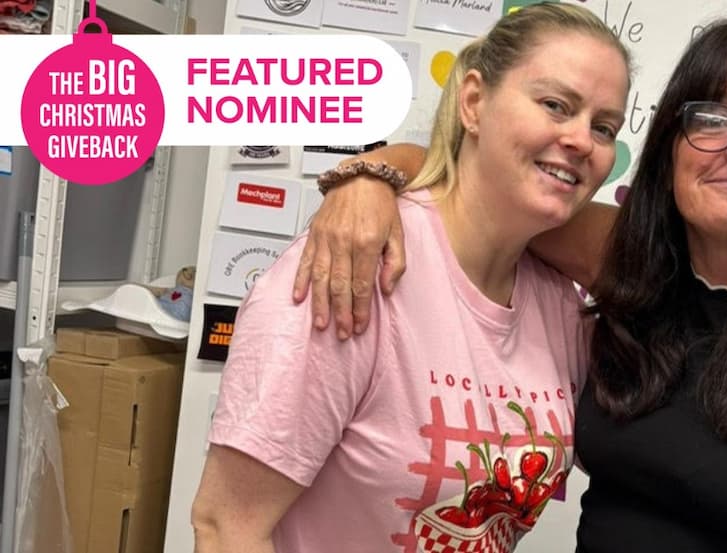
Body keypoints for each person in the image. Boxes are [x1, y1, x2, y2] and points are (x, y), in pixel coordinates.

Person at [295, 9, 727, 553]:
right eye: (713, 119)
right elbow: (467, 180)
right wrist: (369, 180)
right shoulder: (621, 256)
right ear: (671, 149)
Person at [190, 4, 631, 552]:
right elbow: (227, 526)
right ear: (474, 101)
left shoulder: (559, 303)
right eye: (554, 105)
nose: (582, 140)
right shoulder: (358, 265)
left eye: (603, 126)